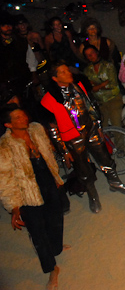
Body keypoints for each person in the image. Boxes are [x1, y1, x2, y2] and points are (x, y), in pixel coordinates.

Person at [40, 62, 125, 214]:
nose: (68, 73)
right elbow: (52, 129)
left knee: (105, 157)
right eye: (63, 72)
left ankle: (115, 182)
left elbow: (90, 106)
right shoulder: (49, 100)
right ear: (55, 78)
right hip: (72, 138)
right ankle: (93, 195)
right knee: (83, 169)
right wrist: (63, 150)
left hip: (91, 130)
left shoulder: (78, 86)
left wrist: (98, 126)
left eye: (67, 70)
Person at [0, 105, 67, 290]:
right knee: (38, 233)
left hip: (47, 182)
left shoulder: (36, 129)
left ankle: (55, 248)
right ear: (8, 124)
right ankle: (51, 269)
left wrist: (55, 176)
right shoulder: (5, 147)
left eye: (22, 114)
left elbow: (48, 154)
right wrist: (14, 207)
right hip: (27, 194)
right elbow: (5, 180)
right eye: (17, 117)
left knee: (56, 218)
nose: (23, 117)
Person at [82, 45, 122, 132]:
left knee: (117, 126)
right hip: (99, 102)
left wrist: (96, 86)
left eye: (92, 53)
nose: (91, 56)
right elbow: (90, 88)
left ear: (97, 52)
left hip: (113, 98)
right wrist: (103, 84)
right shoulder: (87, 71)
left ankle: (120, 146)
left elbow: (112, 84)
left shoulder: (108, 66)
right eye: (88, 55)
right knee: (103, 128)